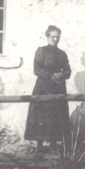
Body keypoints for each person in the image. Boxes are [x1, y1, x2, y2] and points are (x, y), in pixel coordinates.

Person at [24, 25, 72, 153]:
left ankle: (53, 144)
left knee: (56, 115)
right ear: (47, 37)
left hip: (58, 88)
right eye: (53, 37)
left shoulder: (62, 54)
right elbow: (37, 69)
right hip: (43, 87)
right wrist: (51, 76)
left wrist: (61, 74)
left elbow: (68, 71)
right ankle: (40, 145)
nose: (55, 39)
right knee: (42, 114)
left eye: (58, 37)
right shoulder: (42, 51)